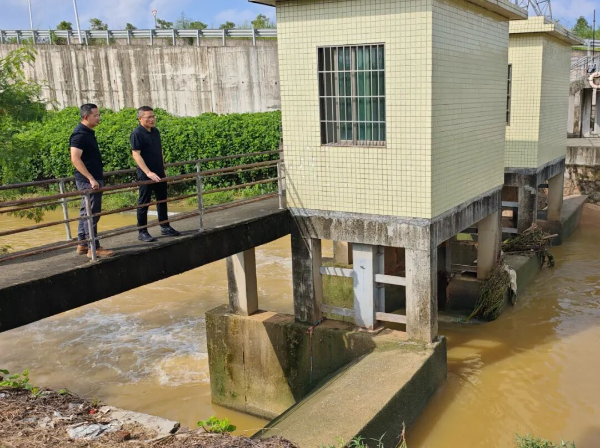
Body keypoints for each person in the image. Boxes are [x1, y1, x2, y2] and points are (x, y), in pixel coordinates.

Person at [69, 104, 114, 258]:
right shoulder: (79, 135)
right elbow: (75, 159)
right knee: (92, 214)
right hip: (88, 180)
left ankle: (83, 244)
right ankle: (93, 248)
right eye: (96, 115)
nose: (99, 118)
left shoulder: (88, 133)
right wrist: (91, 178)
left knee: (86, 212)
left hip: (92, 178)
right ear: (86, 117)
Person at [130, 106, 180, 242]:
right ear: (140, 118)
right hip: (146, 174)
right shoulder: (137, 134)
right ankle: (142, 231)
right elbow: (136, 154)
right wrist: (148, 172)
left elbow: (159, 150)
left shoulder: (155, 131)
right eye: (148, 117)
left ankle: (165, 226)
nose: (152, 119)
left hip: (159, 171)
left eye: (153, 116)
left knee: (162, 199)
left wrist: (162, 168)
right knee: (144, 202)